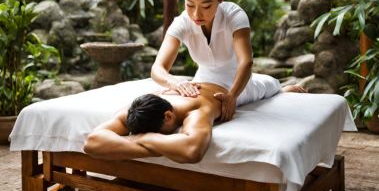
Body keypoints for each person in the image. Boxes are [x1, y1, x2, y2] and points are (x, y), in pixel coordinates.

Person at [151, 0, 305, 121]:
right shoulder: (182, 22)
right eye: (189, 5)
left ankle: (284, 91)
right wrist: (175, 83)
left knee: (268, 88)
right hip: (203, 78)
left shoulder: (234, 15)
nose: (196, 14)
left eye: (206, 5)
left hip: (238, 83)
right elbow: (158, 68)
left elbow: (246, 62)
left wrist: (232, 96)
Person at [83, 77, 303, 163]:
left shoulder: (197, 111)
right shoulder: (138, 109)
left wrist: (145, 138)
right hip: (196, 80)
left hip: (237, 88)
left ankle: (287, 88)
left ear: (169, 116)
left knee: (272, 88)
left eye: (158, 133)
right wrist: (148, 140)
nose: (145, 137)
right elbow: (92, 142)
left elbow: (191, 151)